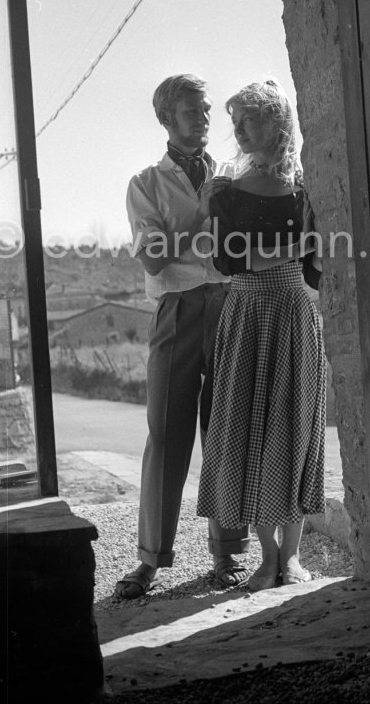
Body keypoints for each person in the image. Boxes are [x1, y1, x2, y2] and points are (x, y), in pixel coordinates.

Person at [116, 74, 250, 599]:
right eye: (192, 110)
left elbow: (249, 242)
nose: (204, 119)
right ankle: (151, 559)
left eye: (207, 109)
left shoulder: (237, 175)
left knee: (225, 430)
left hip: (230, 305)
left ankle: (227, 553)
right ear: (166, 119)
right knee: (166, 432)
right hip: (176, 310)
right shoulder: (145, 184)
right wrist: (206, 215)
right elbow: (153, 256)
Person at [197, 78, 326, 591]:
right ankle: (266, 556)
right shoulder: (226, 192)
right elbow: (226, 261)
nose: (238, 131)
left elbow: (315, 272)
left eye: (247, 120)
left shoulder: (305, 190)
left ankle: (291, 559)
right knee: (246, 430)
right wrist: (292, 251)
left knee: (294, 430)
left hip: (295, 312)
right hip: (248, 312)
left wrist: (309, 250)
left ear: (278, 124)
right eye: (235, 122)